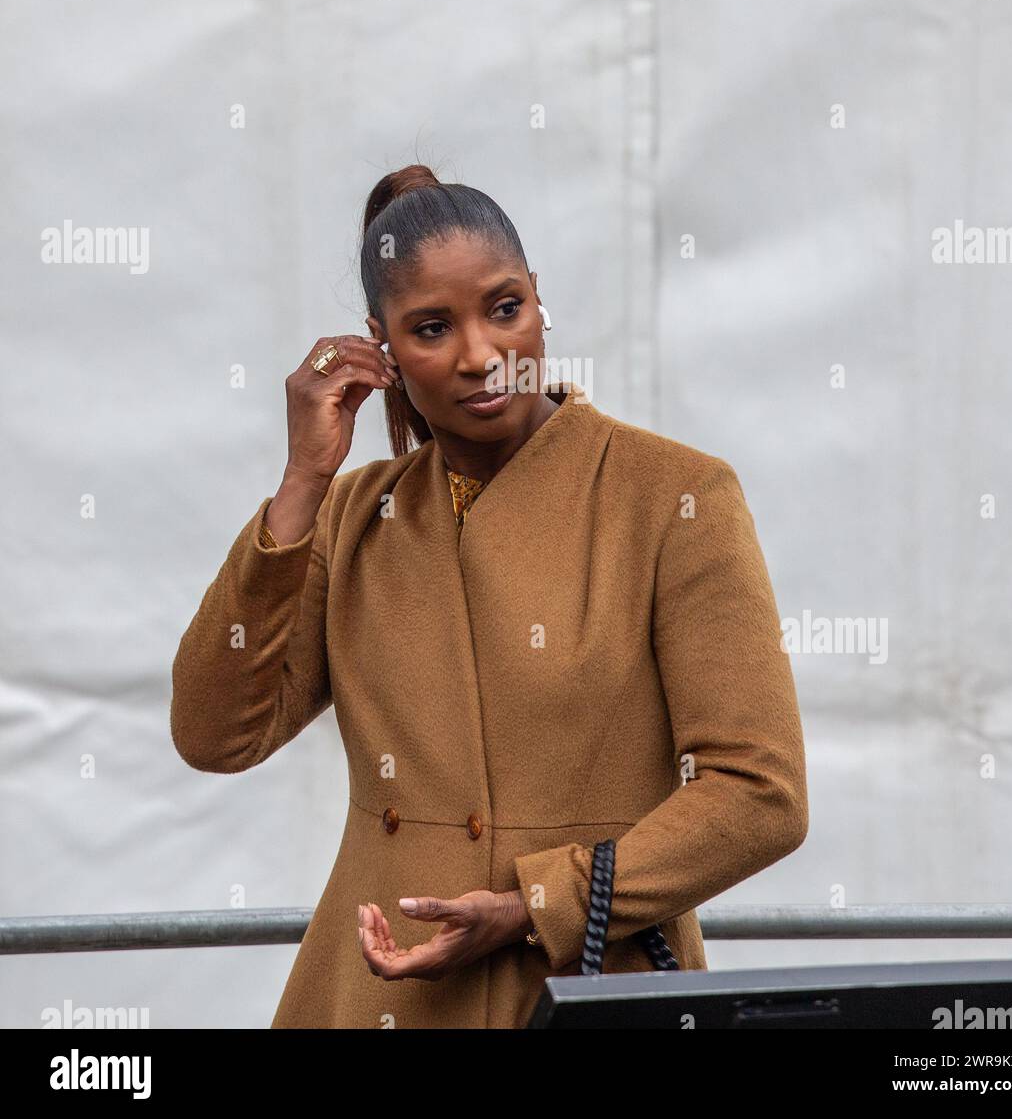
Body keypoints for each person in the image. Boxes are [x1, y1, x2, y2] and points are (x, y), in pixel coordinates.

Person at [170, 164, 809, 1029]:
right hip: (375, 999)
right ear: (380, 347)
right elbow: (215, 735)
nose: (482, 354)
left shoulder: (673, 496)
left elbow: (758, 793)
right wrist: (301, 484)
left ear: (539, 301)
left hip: (585, 994)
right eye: (432, 328)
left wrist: (538, 904)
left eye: (504, 309)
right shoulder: (353, 514)